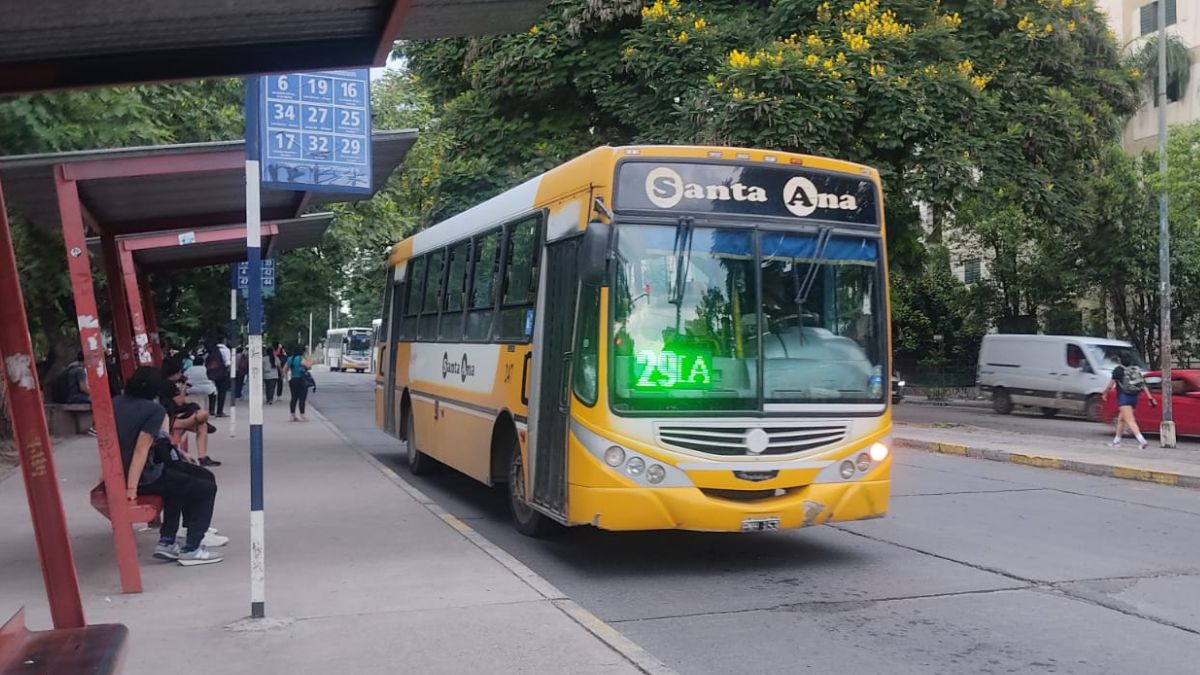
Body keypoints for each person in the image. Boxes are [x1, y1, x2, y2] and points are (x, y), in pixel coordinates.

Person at [114, 367, 224, 566]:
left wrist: (180, 453)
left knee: (197, 476)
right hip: (143, 477)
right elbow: (141, 449)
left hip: (120, 473)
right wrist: (131, 490)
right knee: (206, 488)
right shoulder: (153, 410)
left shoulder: (116, 403)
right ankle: (192, 548)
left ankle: (168, 541)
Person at [160, 378, 221, 467]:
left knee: (202, 426)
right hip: (172, 419)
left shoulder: (173, 383)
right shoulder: (169, 385)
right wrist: (183, 389)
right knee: (201, 418)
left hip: (178, 416)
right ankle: (194, 420)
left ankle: (202, 457)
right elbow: (180, 402)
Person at [1102, 352, 1157, 450]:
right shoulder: (1135, 370)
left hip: (1124, 398)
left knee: (1130, 420)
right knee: (1121, 419)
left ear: (1120, 360)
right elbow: (1143, 385)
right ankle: (1116, 441)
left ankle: (1142, 441)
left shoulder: (1118, 370)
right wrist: (1150, 398)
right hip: (1134, 398)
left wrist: (1105, 393)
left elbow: (1111, 385)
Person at [205, 337, 232, 417]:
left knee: (212, 391)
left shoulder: (212, 349)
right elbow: (227, 363)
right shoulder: (226, 350)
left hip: (211, 373)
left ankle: (211, 410)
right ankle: (220, 411)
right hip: (222, 374)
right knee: (222, 392)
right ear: (224, 340)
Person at [286, 345, 312, 422]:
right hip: (301, 380)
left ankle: (292, 415)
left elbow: (285, 369)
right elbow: (309, 366)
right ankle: (302, 415)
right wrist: (308, 358)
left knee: (294, 398)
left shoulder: (290, 359)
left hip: (293, 379)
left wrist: (287, 379)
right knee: (302, 398)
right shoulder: (301, 358)